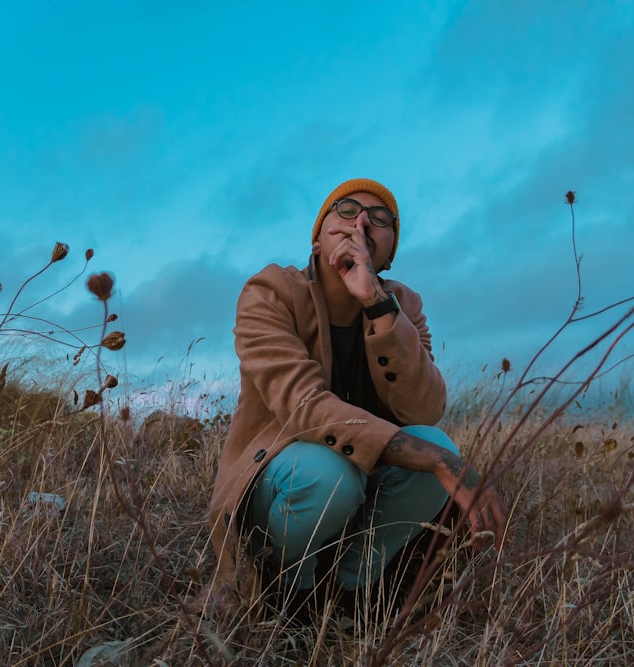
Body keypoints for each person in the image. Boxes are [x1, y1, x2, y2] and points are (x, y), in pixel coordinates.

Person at [207, 178, 507, 620]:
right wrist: (433, 460)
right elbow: (302, 407)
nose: (362, 220)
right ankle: (291, 589)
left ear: (387, 253)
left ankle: (353, 587)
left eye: (380, 218)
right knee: (333, 474)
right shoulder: (270, 291)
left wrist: (377, 304)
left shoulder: (404, 304)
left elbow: (424, 409)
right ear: (317, 234)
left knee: (437, 443)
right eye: (345, 210)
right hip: (287, 480)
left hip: (366, 486)